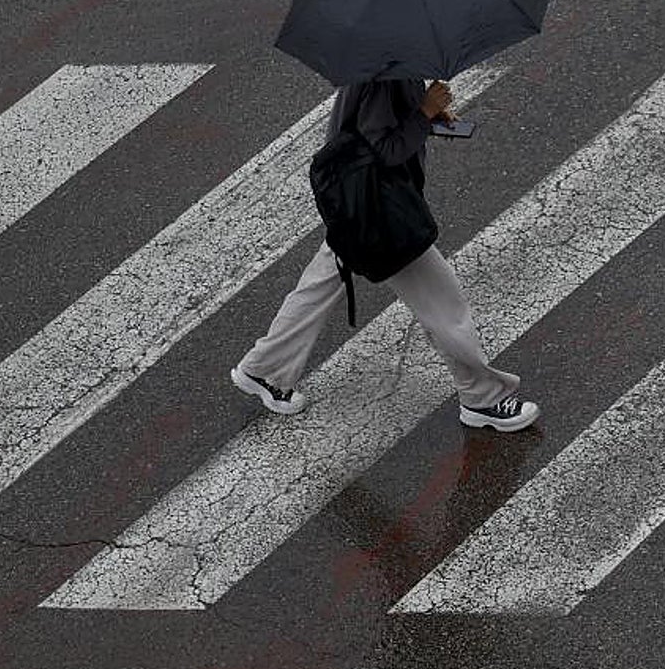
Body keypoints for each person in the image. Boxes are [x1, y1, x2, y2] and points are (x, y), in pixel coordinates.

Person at [229, 75, 539, 432]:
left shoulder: (385, 60)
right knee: (443, 303)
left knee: (319, 285)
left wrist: (424, 116)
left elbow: (371, 129)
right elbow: (384, 149)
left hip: (356, 207)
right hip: (380, 213)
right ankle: (483, 398)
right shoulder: (383, 73)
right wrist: (423, 113)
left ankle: (264, 369)